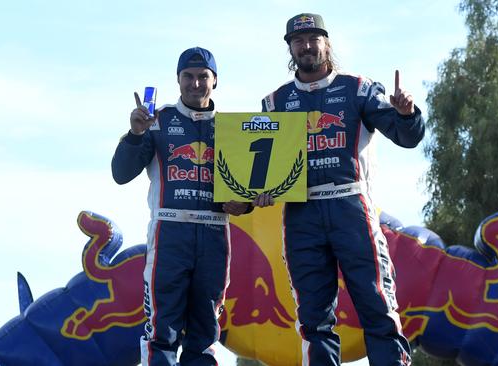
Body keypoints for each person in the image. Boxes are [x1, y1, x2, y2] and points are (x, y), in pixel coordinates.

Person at [256, 13, 425, 366]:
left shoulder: (358, 88)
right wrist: (257, 192)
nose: (305, 46)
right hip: (301, 215)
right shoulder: (274, 102)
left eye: (312, 38)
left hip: (350, 205)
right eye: (298, 40)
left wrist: (407, 114)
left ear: (326, 43)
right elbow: (261, 170)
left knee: (377, 303)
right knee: (313, 318)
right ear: (289, 48)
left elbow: (406, 137)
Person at [111, 47, 253, 366]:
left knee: (204, 334)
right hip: (169, 233)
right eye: (188, 76)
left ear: (215, 81)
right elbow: (121, 174)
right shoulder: (155, 120)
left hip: (215, 235)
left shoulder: (233, 128)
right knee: (163, 330)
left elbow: (245, 194)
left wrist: (244, 205)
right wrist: (135, 134)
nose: (195, 83)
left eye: (203, 76)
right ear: (177, 80)